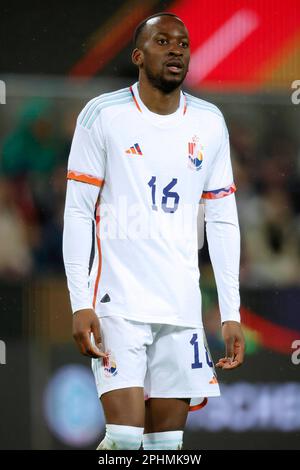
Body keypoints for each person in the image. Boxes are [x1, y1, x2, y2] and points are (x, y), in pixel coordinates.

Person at [63, 12, 245, 451]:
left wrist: (230, 311)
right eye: (163, 42)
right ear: (138, 56)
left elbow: (222, 220)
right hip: (117, 303)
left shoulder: (209, 122)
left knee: (165, 447)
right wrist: (79, 303)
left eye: (182, 43)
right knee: (125, 439)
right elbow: (77, 212)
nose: (176, 50)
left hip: (180, 307)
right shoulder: (102, 114)